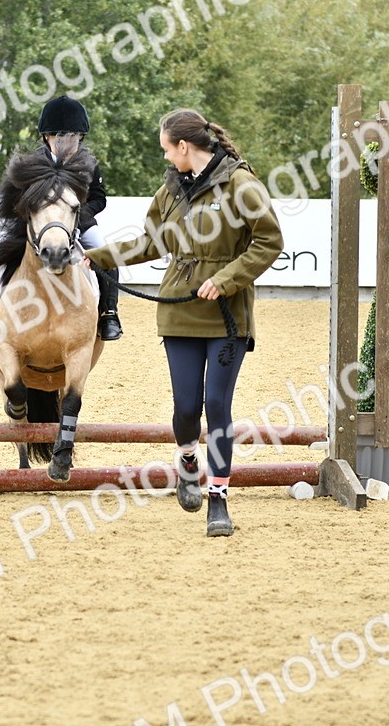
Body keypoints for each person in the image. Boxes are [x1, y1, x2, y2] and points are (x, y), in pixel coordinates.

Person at [84, 109, 283, 537]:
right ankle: (188, 460)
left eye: (166, 150)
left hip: (228, 316)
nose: (166, 159)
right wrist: (96, 256)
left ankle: (219, 500)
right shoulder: (170, 190)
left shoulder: (242, 184)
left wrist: (226, 279)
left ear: (184, 147)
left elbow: (270, 241)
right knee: (186, 408)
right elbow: (150, 242)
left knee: (218, 406)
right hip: (178, 308)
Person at [0, 95, 123, 341]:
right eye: (61, 137)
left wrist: (74, 213)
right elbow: (14, 197)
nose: (68, 143)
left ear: (80, 137)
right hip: (37, 224)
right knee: (0, 252)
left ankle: (109, 313)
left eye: (73, 137)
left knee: (107, 254)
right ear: (47, 137)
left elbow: (99, 198)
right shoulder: (33, 163)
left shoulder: (88, 163)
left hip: (77, 223)